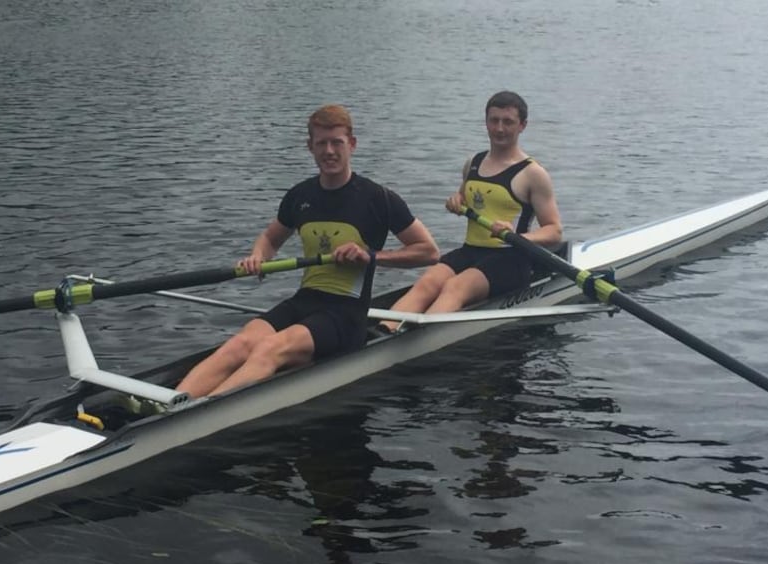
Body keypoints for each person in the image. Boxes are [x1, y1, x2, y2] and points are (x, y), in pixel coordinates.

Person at [177, 104, 439, 398]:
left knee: (269, 349)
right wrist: (258, 257)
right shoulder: (300, 196)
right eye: (321, 143)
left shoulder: (378, 198)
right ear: (310, 147)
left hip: (345, 315)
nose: (329, 151)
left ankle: (197, 415)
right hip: (305, 302)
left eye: (336, 142)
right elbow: (270, 238)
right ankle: (170, 403)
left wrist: (372, 256)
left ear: (351, 144)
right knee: (240, 343)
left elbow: (428, 252)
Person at [379, 91, 562, 333]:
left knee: (456, 287)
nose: (499, 129)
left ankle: (418, 337)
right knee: (428, 282)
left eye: (508, 122)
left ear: (522, 126)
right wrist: (456, 201)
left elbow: (554, 231)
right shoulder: (473, 163)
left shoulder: (533, 174)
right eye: (494, 120)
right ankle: (383, 332)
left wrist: (517, 236)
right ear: (486, 122)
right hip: (471, 251)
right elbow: (465, 198)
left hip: (510, 258)